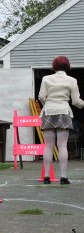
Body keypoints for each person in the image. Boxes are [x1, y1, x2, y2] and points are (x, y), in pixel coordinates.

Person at [38, 56, 84, 184]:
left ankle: (46, 177)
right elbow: (75, 101)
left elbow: (41, 96)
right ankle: (63, 177)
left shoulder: (46, 79)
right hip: (64, 111)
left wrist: (47, 103)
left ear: (54, 66)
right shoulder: (72, 80)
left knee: (48, 146)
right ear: (68, 66)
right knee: (62, 145)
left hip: (48, 111)